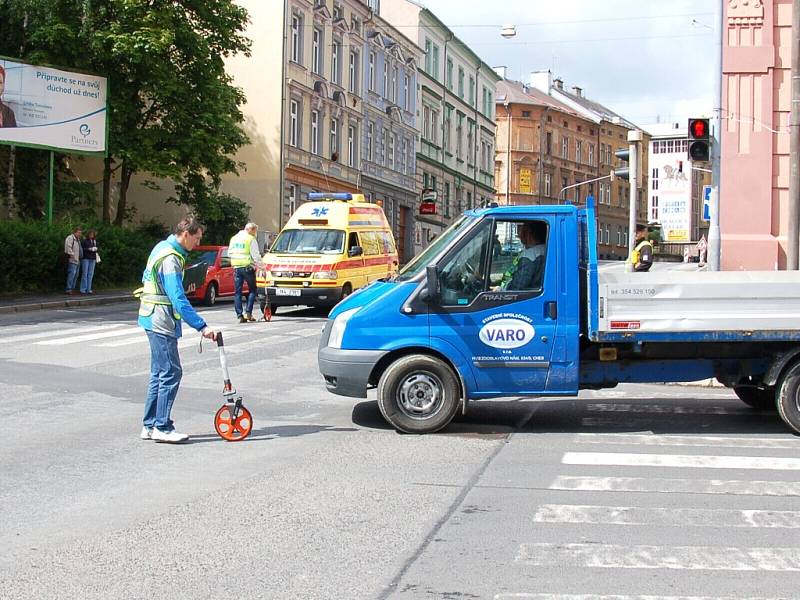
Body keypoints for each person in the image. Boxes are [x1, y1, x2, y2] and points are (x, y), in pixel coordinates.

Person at [137, 216, 217, 443]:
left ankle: (150, 425)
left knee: (159, 373)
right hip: (160, 321)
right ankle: (162, 426)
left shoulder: (161, 248)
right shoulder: (171, 258)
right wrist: (202, 326)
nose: (198, 244)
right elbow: (177, 298)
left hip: (152, 317)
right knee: (171, 372)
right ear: (185, 234)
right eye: (197, 238)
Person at [498, 221, 547, 291]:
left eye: (522, 232)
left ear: (528, 234)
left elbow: (517, 287)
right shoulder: (548, 249)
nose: (520, 236)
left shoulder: (529, 255)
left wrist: (502, 289)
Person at [228, 222, 262, 323]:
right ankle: (248, 313)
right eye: (255, 231)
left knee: (237, 292)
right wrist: (262, 266)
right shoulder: (250, 239)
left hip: (236, 267)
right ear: (251, 230)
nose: (255, 234)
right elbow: (255, 255)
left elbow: (229, 253)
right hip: (247, 267)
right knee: (252, 290)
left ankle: (239, 315)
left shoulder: (234, 238)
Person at [64, 227, 83, 294]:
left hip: (78, 260)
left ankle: (72, 288)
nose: (80, 234)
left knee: (76, 275)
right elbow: (68, 248)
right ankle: (68, 289)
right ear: (74, 232)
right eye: (78, 232)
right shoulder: (70, 238)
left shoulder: (78, 239)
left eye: (80, 233)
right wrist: (73, 256)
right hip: (72, 260)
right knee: (72, 274)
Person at [80, 229, 99, 294]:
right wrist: (89, 249)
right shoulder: (84, 241)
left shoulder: (94, 241)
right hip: (86, 258)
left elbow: (96, 248)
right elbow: (82, 249)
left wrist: (96, 249)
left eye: (93, 234)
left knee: (90, 274)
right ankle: (83, 289)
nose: (91, 235)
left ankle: (89, 288)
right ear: (88, 234)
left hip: (92, 258)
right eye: (90, 234)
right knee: (85, 274)